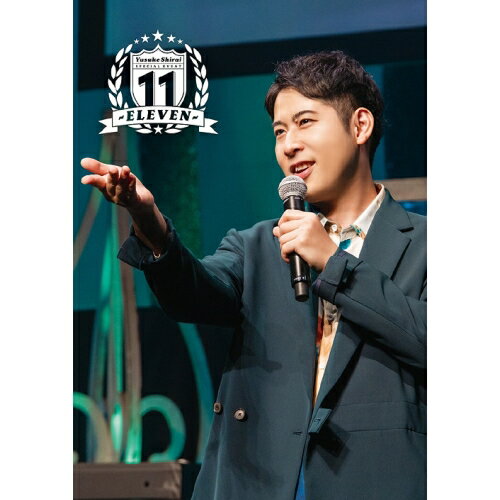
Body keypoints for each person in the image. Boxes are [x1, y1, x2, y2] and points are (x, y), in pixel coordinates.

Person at [81, 51, 426, 500]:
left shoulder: (425, 244)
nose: (289, 145)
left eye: (305, 123)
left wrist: (334, 263)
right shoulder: (258, 245)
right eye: (279, 131)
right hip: (257, 481)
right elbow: (192, 295)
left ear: (360, 126)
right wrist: (149, 221)